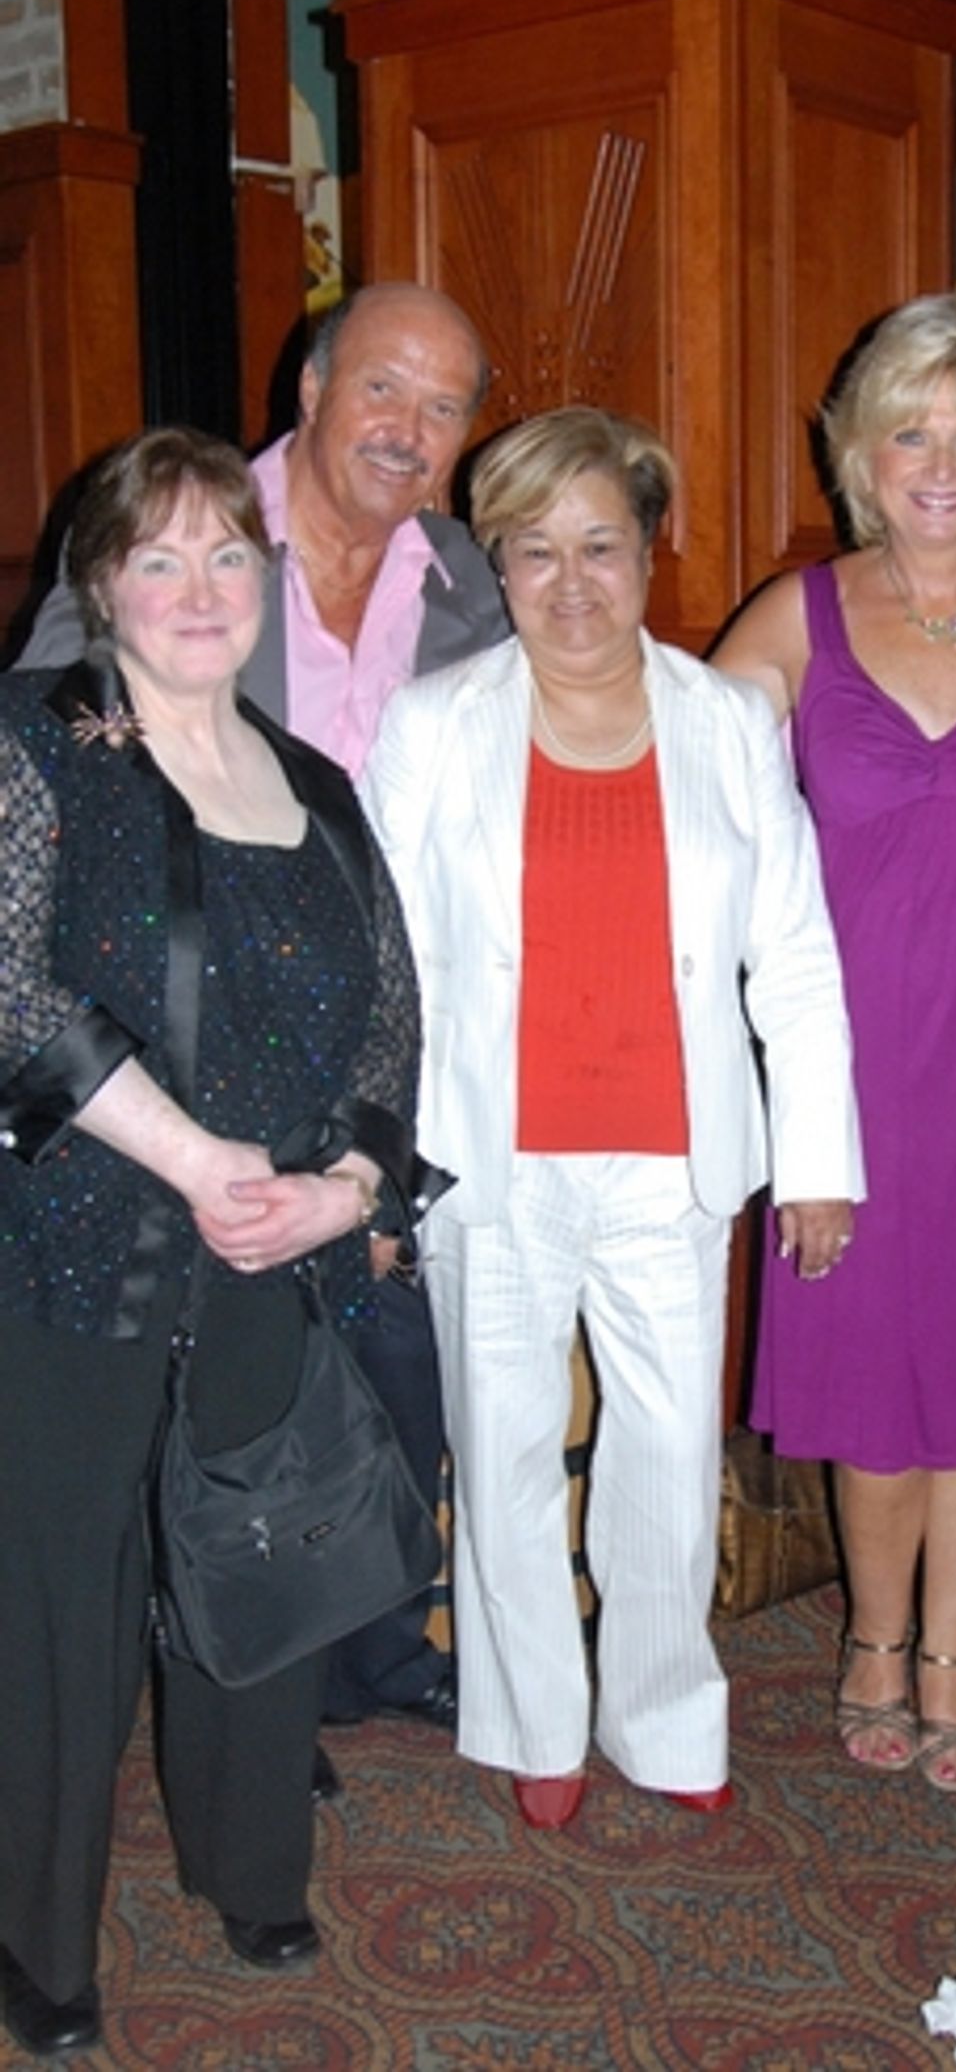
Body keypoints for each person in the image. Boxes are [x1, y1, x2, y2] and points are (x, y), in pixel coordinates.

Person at [17, 282, 509, 1747]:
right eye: (382, 389)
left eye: (443, 406)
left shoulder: (468, 583)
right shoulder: (187, 530)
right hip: (150, 1081)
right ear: (310, 386)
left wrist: (367, 1150)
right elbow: (55, 762)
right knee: (128, 1476)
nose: (408, 429)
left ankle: (333, 1677)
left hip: (351, 1057)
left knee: (363, 1402)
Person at [362, 405, 863, 1831]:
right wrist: (379, 1169)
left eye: (600, 545)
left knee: (666, 1454)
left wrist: (819, 1159)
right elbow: (382, 965)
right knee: (504, 1449)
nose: (570, 581)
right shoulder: (433, 724)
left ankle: (664, 1713)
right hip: (488, 1155)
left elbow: (795, 950)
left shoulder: (726, 722)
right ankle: (534, 1722)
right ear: (497, 567)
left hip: (673, 1156)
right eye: (534, 551)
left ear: (650, 551)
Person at [0, 428, 427, 2058]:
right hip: (72, 1246)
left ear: (266, 581)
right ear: (101, 583)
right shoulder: (37, 745)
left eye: (228, 555)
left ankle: (250, 1861)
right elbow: (8, 989)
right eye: (159, 557)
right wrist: (192, 1159)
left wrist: (349, 1187)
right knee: (60, 1600)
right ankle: (36, 1934)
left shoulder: (312, 785)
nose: (198, 588)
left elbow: (392, 1020)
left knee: (260, 1552)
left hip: (267, 1244)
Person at [711, 297, 956, 1792]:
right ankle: (875, 1638)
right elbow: (680, 779)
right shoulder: (794, 615)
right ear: (862, 455)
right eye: (912, 432)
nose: (942, 463)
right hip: (856, 1040)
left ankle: (952, 1650)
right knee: (869, 1336)